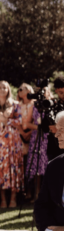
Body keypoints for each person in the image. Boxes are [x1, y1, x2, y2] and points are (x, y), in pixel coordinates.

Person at [0, 80, 24, 208]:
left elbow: (19, 121)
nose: (2, 89)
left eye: (5, 87)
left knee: (13, 166)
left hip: (13, 140)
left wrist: (6, 120)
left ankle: (13, 198)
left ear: (8, 89)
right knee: (1, 168)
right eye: (0, 87)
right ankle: (3, 199)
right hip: (0, 141)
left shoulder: (15, 104)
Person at [25, 86, 52, 198]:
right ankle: (36, 193)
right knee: (36, 165)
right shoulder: (34, 106)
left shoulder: (51, 103)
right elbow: (27, 123)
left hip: (49, 138)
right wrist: (39, 127)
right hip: (37, 137)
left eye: (44, 90)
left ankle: (49, 193)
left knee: (47, 164)